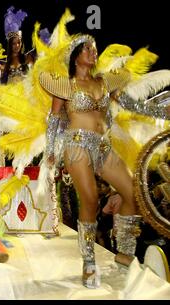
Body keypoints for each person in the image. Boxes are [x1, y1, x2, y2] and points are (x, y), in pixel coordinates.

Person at [39, 34, 170, 288]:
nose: (93, 51)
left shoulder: (105, 83)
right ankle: (88, 261)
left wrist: (160, 112)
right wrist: (51, 151)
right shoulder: (65, 86)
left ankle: (124, 254)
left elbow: (132, 104)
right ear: (76, 55)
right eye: (87, 48)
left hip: (102, 145)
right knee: (89, 199)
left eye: (95, 48)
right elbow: (53, 120)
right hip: (76, 145)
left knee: (132, 191)